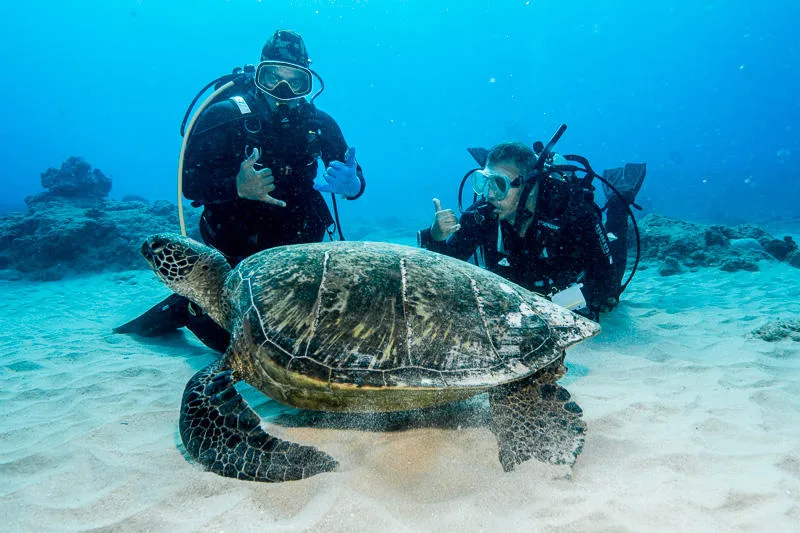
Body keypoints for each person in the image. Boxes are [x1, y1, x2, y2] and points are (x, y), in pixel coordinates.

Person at [115, 30, 365, 350]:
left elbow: (353, 173)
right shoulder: (225, 117)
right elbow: (189, 184)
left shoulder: (320, 124)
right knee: (236, 339)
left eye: (295, 81)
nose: (283, 89)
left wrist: (353, 184)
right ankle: (192, 305)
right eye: (273, 76)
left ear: (308, 83)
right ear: (259, 72)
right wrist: (236, 186)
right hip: (237, 241)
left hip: (300, 246)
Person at [417, 140, 634, 321]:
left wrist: (550, 306)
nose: (490, 194)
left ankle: (618, 201)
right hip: (527, 293)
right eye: (484, 182)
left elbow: (605, 283)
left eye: (499, 185)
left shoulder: (572, 212)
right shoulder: (482, 215)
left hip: (567, 289)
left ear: (529, 187)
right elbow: (443, 270)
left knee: (611, 283)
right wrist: (435, 237)